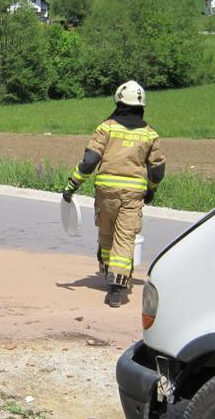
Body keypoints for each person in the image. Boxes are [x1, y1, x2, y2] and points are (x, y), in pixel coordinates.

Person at [62, 81, 165, 307]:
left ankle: (110, 273)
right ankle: (117, 288)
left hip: (106, 193)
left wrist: (72, 185)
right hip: (133, 195)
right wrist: (151, 190)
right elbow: (157, 169)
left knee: (107, 236)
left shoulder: (106, 128)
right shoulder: (150, 135)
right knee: (125, 238)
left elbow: (90, 161)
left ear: (118, 101)